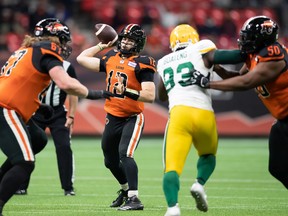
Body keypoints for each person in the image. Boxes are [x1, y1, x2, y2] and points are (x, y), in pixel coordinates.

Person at [0, 17, 112, 216]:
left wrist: (39, 105)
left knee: (38, 139)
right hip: (6, 108)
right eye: (61, 40)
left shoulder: (24, 51)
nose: (63, 45)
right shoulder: (46, 49)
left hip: (11, 107)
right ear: (50, 37)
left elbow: (19, 82)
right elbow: (66, 83)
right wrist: (95, 93)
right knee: (25, 162)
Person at [157, 24, 246, 216]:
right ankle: (199, 184)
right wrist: (250, 52)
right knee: (208, 155)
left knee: (171, 167)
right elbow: (232, 58)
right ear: (194, 38)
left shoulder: (163, 61)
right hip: (204, 114)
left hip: (179, 114)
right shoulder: (202, 48)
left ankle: (173, 208)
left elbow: (161, 95)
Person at [191, 15, 288, 190]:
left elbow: (246, 83)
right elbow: (237, 77)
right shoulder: (255, 55)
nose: (243, 40)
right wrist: (216, 67)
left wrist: (208, 83)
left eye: (248, 36)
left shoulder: (274, 55)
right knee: (277, 168)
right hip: (282, 121)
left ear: (263, 37)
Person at [77, 23, 156, 210]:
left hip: (133, 116)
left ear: (138, 44)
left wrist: (127, 91)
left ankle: (135, 199)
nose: (126, 42)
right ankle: (125, 190)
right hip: (112, 116)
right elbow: (82, 58)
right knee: (109, 160)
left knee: (125, 154)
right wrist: (102, 45)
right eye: (124, 38)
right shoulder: (111, 56)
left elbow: (150, 96)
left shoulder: (143, 62)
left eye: (130, 40)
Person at [15, 60, 79, 196]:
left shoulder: (67, 67)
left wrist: (71, 115)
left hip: (58, 113)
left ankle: (68, 187)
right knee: (28, 147)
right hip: (36, 111)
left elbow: (73, 91)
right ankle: (21, 185)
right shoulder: (35, 63)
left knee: (64, 147)